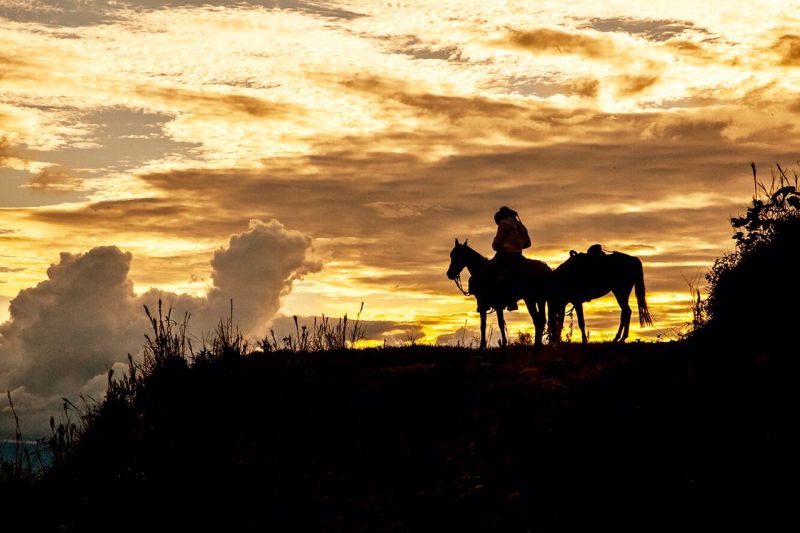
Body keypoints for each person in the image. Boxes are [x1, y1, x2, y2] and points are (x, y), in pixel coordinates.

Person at [489, 206, 531, 311]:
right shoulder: (520, 225)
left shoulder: (504, 223)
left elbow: (497, 242)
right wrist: (518, 246)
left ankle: (502, 299)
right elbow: (528, 243)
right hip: (518, 255)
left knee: (491, 271)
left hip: (506, 254)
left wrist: (496, 246)